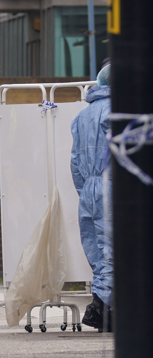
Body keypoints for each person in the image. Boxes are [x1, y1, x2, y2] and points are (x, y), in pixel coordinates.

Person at [70, 63, 113, 331]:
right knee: (116, 252)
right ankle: (102, 307)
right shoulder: (119, 113)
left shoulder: (82, 116)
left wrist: (86, 190)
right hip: (114, 186)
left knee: (97, 252)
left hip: (90, 190)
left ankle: (102, 306)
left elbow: (75, 162)